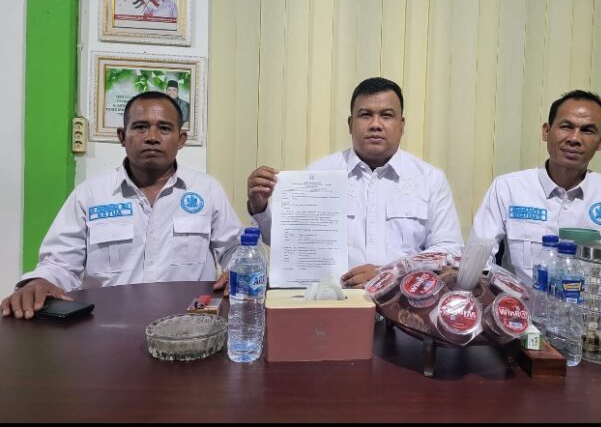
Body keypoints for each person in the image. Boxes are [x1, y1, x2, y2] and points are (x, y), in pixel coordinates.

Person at [1, 91, 243, 320]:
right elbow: (59, 264)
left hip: (190, 325)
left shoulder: (206, 191)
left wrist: (239, 270)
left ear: (181, 140)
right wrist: (40, 282)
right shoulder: (91, 195)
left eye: (164, 128)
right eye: (140, 127)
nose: (152, 137)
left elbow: (236, 249)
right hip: (107, 327)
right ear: (121, 136)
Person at [217, 77, 463, 291]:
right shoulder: (319, 174)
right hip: (333, 303)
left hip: (403, 305)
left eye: (387, 115)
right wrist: (260, 206)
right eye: (365, 115)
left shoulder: (430, 179)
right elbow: (285, 241)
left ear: (402, 125)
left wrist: (389, 273)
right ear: (350, 124)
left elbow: (449, 251)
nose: (375, 124)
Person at [471, 89, 601, 329]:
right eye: (566, 126)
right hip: (522, 321)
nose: (575, 138)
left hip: (596, 326)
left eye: (587, 130)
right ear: (546, 131)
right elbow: (478, 257)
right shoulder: (508, 188)